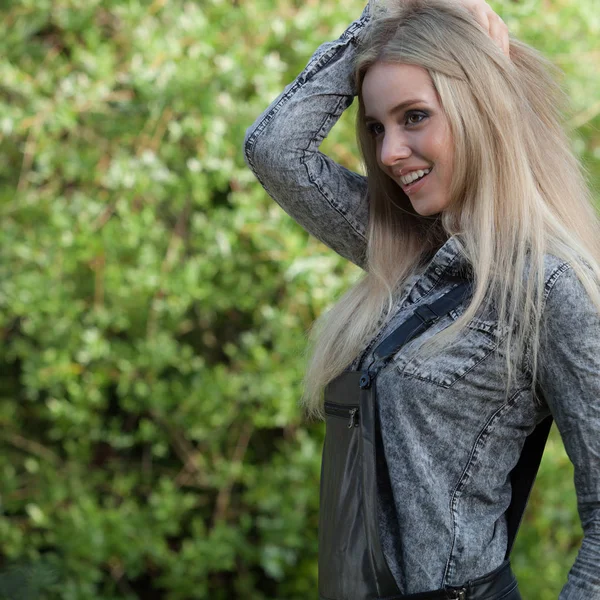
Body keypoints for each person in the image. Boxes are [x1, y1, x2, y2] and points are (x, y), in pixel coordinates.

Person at [243, 0, 600, 598]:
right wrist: (390, 10)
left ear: (481, 109)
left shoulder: (549, 288)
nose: (388, 153)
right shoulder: (412, 256)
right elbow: (277, 149)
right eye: (378, 127)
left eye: (414, 117)